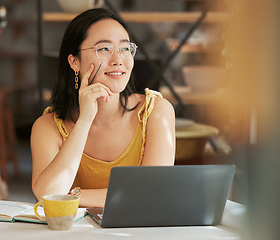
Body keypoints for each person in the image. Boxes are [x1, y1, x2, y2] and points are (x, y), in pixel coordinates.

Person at [31, 8, 175, 208]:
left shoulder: (156, 112)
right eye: (104, 49)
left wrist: (73, 196)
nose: (118, 60)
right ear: (74, 61)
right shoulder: (48, 127)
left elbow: (153, 192)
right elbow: (47, 194)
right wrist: (84, 121)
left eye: (125, 49)